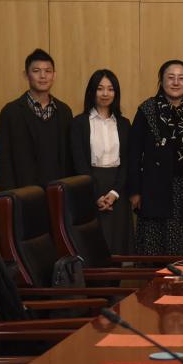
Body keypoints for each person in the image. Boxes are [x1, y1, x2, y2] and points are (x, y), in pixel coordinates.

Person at [127, 60, 183, 256]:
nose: (176, 82)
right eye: (170, 77)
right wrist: (135, 191)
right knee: (156, 248)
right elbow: (133, 154)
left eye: (181, 78)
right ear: (161, 80)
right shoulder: (147, 110)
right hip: (155, 188)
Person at [70, 69, 133, 254]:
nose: (105, 93)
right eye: (100, 88)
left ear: (116, 93)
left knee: (117, 245)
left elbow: (127, 161)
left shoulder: (124, 123)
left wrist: (114, 193)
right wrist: (95, 194)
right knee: (93, 247)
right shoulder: (79, 122)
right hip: (89, 186)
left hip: (118, 189)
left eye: (110, 89)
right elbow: (79, 161)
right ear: (92, 91)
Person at [0, 49, 73, 191]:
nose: (43, 76)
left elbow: (70, 158)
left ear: (54, 75)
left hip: (58, 193)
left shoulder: (64, 112)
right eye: (36, 71)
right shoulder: (11, 112)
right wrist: (11, 195)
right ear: (26, 75)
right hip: (23, 193)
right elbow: (3, 161)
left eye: (48, 71)